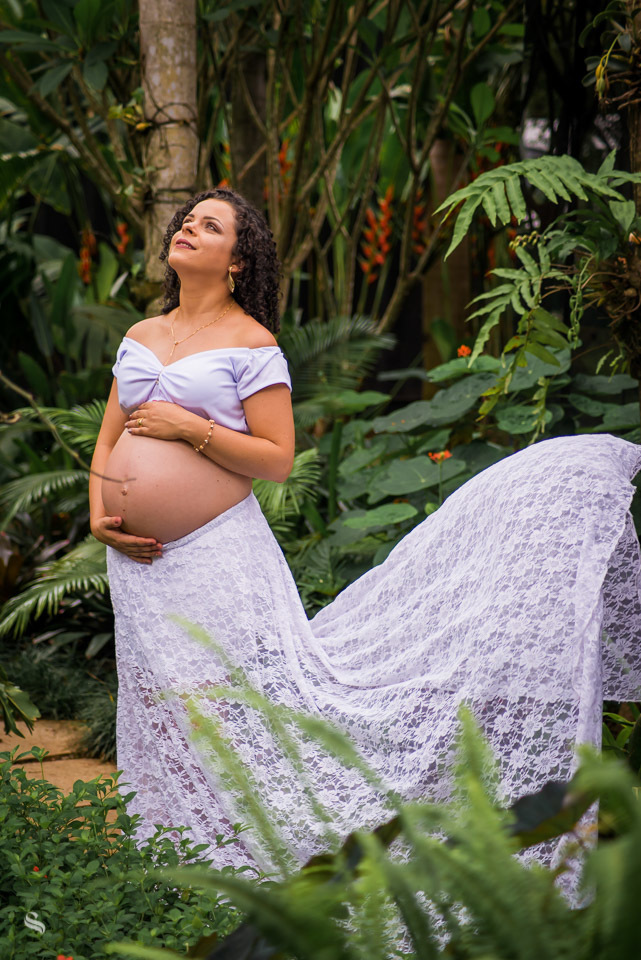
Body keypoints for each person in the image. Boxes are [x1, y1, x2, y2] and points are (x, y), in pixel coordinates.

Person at [90, 187, 641, 878]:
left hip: (213, 554)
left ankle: (251, 858)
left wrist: (187, 428)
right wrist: (97, 511)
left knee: (225, 705)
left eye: (209, 226)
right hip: (136, 561)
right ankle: (169, 853)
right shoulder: (140, 336)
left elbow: (276, 458)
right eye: (186, 222)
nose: (188, 230)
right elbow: (108, 440)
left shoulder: (252, 343)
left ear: (237, 261)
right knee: (157, 703)